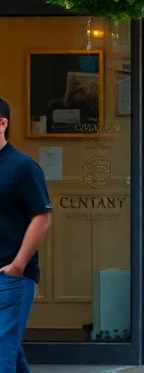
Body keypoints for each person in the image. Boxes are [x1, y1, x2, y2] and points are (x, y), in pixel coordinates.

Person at [0, 96, 52, 373]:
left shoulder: (23, 167)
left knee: (2, 356)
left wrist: (18, 266)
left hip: (9, 277)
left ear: (2, 123)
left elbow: (41, 217)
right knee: (10, 355)